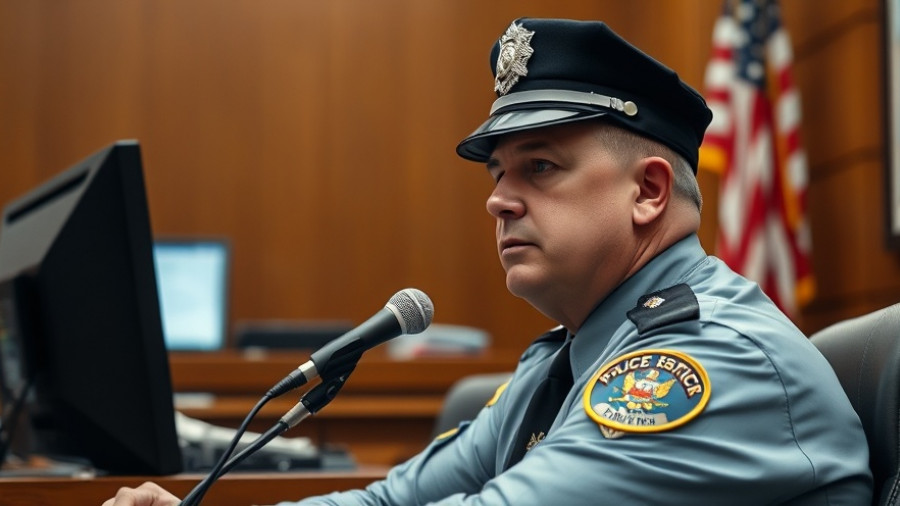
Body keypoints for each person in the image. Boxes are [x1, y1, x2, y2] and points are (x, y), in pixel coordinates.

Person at [104, 17, 873, 506]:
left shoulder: (705, 362)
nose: (498, 201)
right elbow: (390, 501)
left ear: (647, 191)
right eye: (498, 174)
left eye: (539, 168)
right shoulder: (563, 361)